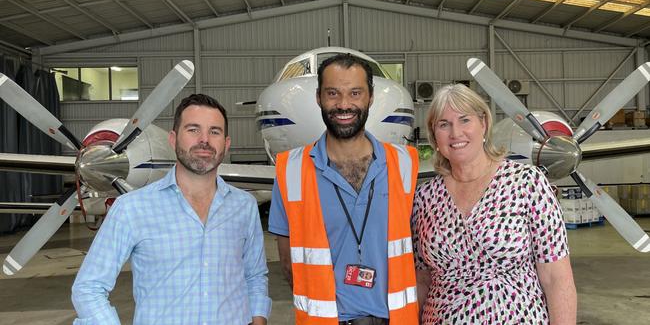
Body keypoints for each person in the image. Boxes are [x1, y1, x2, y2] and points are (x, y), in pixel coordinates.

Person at [71, 94, 271, 325]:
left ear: (226, 144)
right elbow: (89, 287)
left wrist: (258, 319)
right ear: (173, 139)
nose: (204, 140)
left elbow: (255, 276)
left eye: (214, 131)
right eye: (193, 129)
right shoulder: (131, 208)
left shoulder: (244, 206)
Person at [268, 53, 420, 325]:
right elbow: (288, 264)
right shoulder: (290, 170)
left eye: (355, 93)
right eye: (333, 93)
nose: (344, 104)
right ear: (319, 98)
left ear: (370, 97)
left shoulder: (405, 163)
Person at [412, 84, 577, 324]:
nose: (455, 133)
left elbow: (556, 277)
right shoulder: (424, 198)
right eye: (443, 124)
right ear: (434, 135)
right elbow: (421, 280)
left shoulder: (527, 183)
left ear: (484, 124)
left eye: (465, 120)